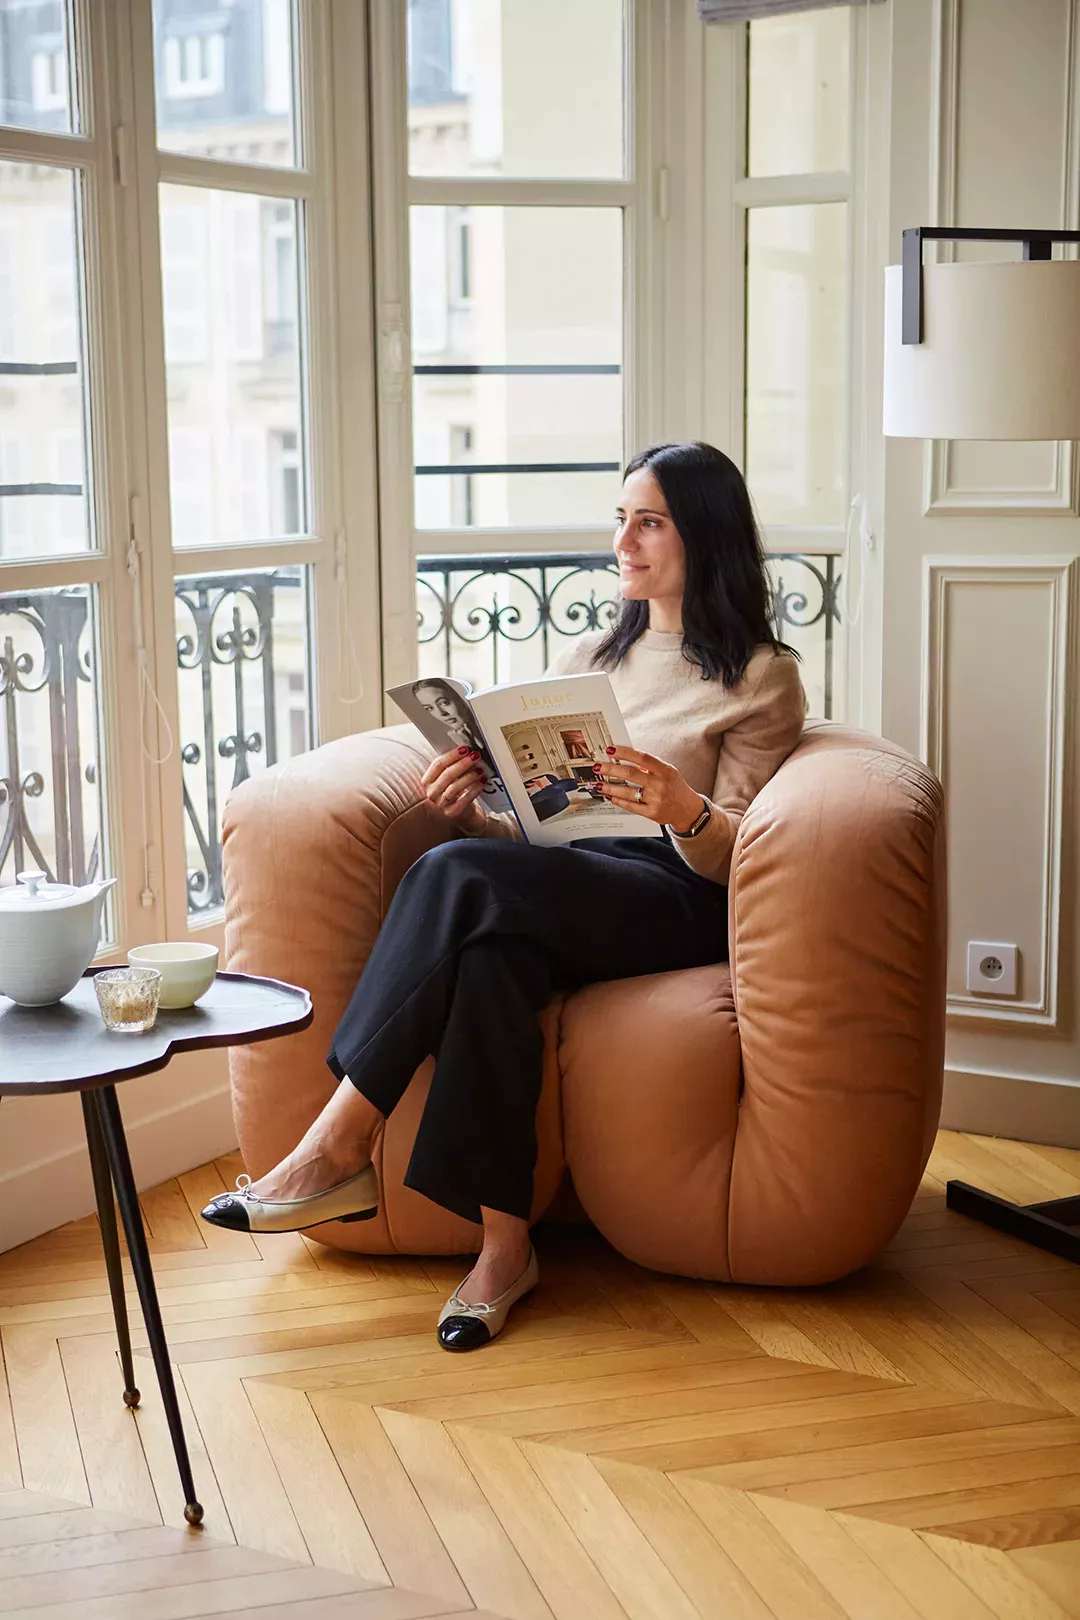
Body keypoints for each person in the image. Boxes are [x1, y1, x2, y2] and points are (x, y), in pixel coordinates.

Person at [201, 442, 808, 1352]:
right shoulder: (599, 651)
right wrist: (479, 811)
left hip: (676, 897)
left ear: (705, 536)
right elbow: (541, 835)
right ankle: (503, 1250)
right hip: (573, 882)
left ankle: (335, 1144)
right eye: (620, 519)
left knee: (449, 878)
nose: (624, 540)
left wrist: (683, 808)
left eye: (649, 521)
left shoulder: (760, 675)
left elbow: (746, 858)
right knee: (490, 955)